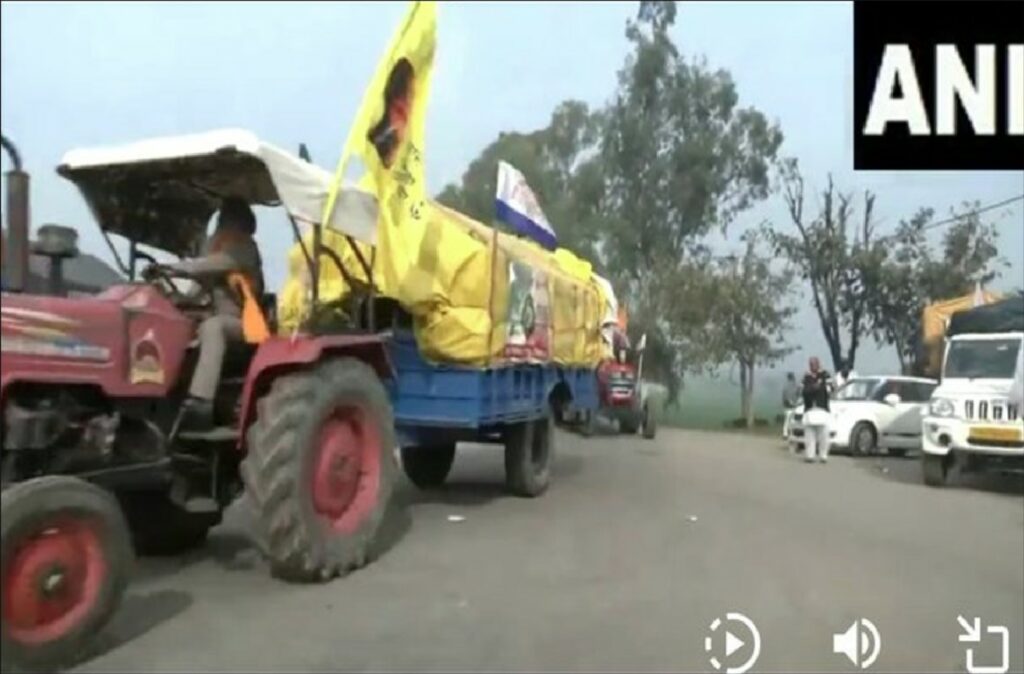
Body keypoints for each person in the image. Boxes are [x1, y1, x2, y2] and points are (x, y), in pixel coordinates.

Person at [145, 197, 264, 431]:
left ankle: (200, 404)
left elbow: (215, 264)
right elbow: (197, 289)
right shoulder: (217, 249)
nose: (222, 225)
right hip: (213, 315)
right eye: (222, 220)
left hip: (243, 323)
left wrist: (173, 268)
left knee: (214, 327)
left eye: (227, 219)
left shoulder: (244, 248)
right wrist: (175, 298)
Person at [801, 356, 834, 464]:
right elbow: (804, 391)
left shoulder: (825, 375)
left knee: (824, 434)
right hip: (810, 408)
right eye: (811, 364)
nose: (813, 366)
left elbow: (831, 388)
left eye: (814, 364)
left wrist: (822, 385)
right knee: (809, 435)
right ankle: (810, 455)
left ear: (818, 364)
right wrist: (813, 387)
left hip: (822, 408)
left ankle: (823, 455)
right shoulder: (806, 377)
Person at [781, 372, 802, 443]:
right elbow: (798, 394)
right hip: (791, 406)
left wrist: (794, 402)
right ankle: (788, 433)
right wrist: (795, 402)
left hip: (789, 406)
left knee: (788, 420)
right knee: (790, 420)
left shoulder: (787, 386)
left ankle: (786, 434)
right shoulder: (794, 386)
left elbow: (798, 394)